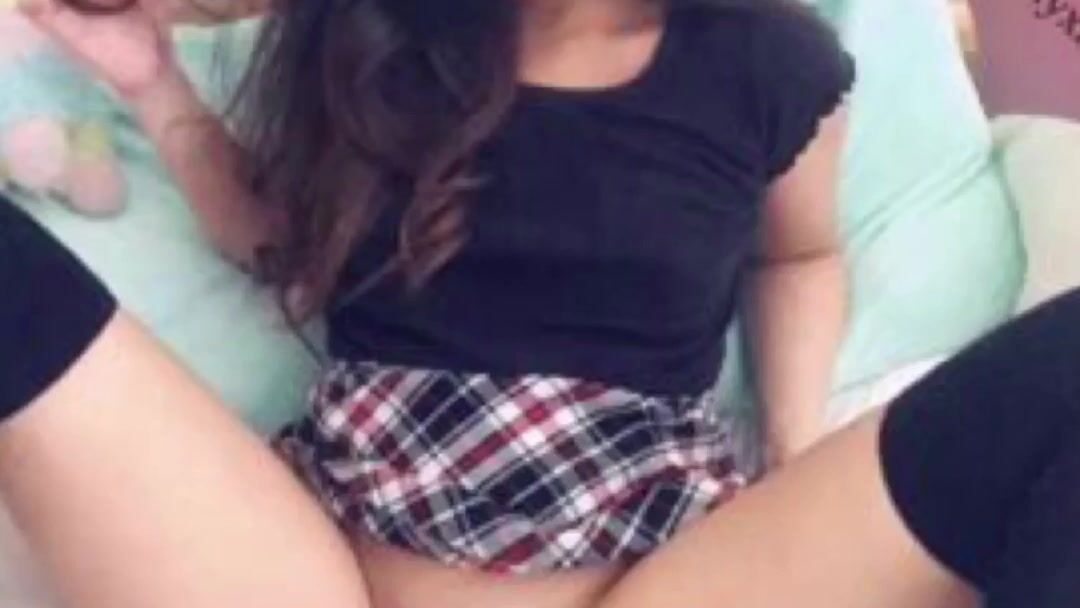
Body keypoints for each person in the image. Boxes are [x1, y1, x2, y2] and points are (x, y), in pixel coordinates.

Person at [4, 0, 1079, 607]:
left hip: (664, 570)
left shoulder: (767, 59)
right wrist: (152, 85)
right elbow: (278, 243)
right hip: (334, 566)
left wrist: (791, 452)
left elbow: (797, 256)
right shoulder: (371, 32)